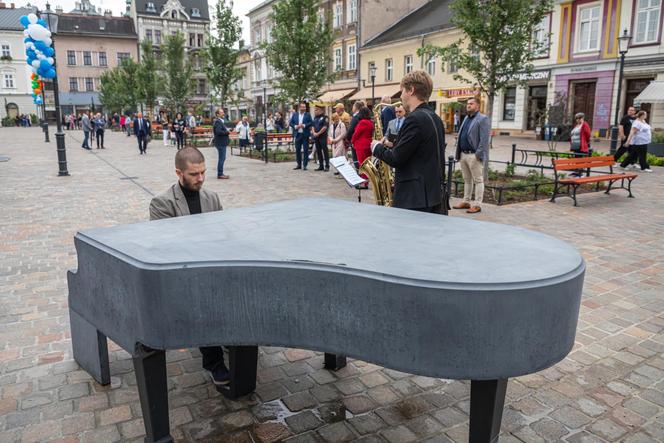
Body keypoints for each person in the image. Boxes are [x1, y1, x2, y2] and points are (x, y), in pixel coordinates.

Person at [148, 147, 230, 389]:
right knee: (201, 297)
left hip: (211, 266)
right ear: (179, 173)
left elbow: (224, 235)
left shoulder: (212, 197)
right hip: (182, 273)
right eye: (194, 174)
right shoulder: (162, 203)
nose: (201, 179)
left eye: (204, 172)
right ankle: (213, 361)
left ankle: (237, 339)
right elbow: (166, 248)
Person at [371, 70, 446, 213]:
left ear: (411, 90)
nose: (400, 96)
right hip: (432, 195)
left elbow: (396, 159)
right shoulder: (435, 118)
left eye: (402, 91)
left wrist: (377, 147)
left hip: (414, 199)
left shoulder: (414, 119)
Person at [452, 97, 490, 214]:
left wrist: (478, 154)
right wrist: (458, 153)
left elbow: (484, 140)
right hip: (463, 154)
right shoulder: (466, 118)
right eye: (468, 104)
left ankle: (477, 204)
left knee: (478, 180)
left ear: (477, 106)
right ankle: (466, 201)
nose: (468, 105)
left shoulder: (482, 119)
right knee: (467, 180)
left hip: (474, 155)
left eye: (471, 104)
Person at [351, 106, 374, 185]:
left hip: (361, 145)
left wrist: (352, 141)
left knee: (362, 165)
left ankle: (363, 182)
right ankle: (366, 182)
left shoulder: (362, 122)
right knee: (367, 165)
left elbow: (356, 133)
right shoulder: (370, 122)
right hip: (368, 145)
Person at [289, 101, 313, 170]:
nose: (304, 108)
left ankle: (305, 165)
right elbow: (291, 123)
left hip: (305, 135)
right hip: (297, 135)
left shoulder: (308, 114)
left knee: (305, 150)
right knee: (298, 150)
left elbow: (311, 122)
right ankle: (299, 164)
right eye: (302, 107)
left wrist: (304, 125)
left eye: (305, 107)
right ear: (299, 107)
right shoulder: (295, 114)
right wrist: (296, 126)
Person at [568, 112, 592, 177]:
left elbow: (588, 134)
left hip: (581, 145)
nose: (578, 120)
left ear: (582, 118)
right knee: (576, 158)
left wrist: (584, 141)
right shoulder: (576, 126)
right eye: (576, 119)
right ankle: (576, 171)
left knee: (579, 158)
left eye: (579, 118)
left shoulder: (584, 125)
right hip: (575, 145)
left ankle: (579, 172)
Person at [345, 101, 365, 167]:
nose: (352, 108)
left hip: (355, 141)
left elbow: (351, 130)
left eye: (353, 106)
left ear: (356, 107)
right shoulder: (363, 116)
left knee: (356, 161)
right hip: (362, 141)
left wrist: (348, 138)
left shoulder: (356, 117)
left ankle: (359, 175)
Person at [213, 108, 230, 179]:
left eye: (223, 112)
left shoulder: (220, 121)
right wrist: (227, 132)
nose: (223, 113)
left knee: (222, 158)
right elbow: (218, 132)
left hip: (221, 142)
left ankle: (220, 173)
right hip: (220, 143)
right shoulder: (218, 122)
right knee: (222, 158)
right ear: (217, 114)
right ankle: (220, 174)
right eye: (221, 112)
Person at [312, 105, 329, 171]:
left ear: (321, 110)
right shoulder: (315, 117)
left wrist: (318, 133)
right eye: (315, 110)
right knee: (318, 151)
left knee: (325, 151)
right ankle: (321, 166)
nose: (315, 111)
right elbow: (313, 126)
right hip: (316, 137)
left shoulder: (325, 117)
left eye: (316, 110)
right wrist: (314, 133)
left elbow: (325, 127)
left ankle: (327, 166)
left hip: (323, 137)